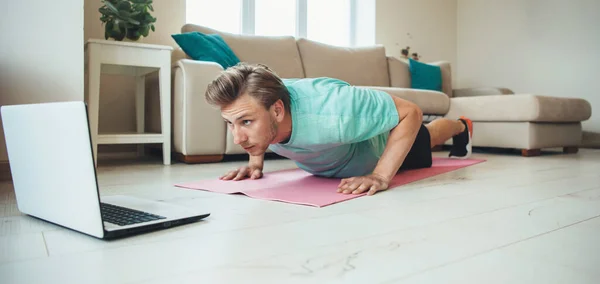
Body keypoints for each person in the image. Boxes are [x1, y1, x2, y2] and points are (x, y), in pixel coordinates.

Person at [205, 63, 473, 196]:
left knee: (429, 135)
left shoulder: (335, 109)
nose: (237, 138)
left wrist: (380, 176)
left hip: (380, 147)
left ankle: (462, 126)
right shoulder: (257, 104)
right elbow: (249, 117)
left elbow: (410, 112)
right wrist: (255, 163)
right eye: (230, 123)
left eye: (246, 123)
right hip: (331, 161)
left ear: (277, 110)